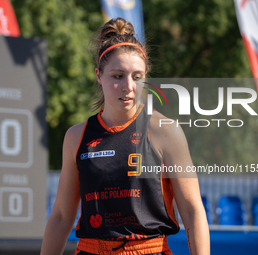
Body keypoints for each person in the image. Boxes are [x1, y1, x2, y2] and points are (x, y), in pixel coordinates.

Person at [40, 18, 210, 255]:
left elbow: (192, 211)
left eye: (137, 76)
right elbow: (60, 215)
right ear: (99, 75)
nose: (128, 86)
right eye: (118, 76)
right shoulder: (76, 136)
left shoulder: (166, 131)